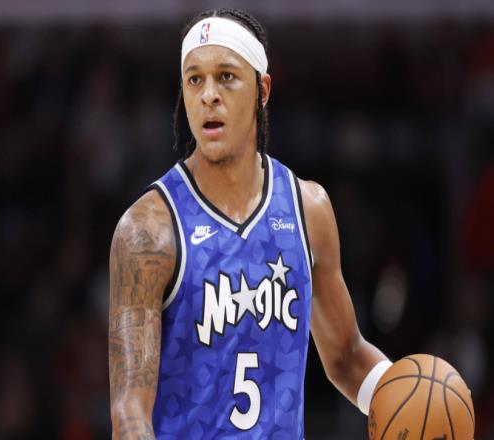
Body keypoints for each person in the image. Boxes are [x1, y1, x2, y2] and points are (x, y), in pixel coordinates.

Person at [108, 8, 391, 439]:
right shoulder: (147, 230)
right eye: (194, 79)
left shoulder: (308, 209)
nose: (208, 95)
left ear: (262, 89)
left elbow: (347, 358)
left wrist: (405, 394)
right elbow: (129, 411)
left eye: (226, 77)